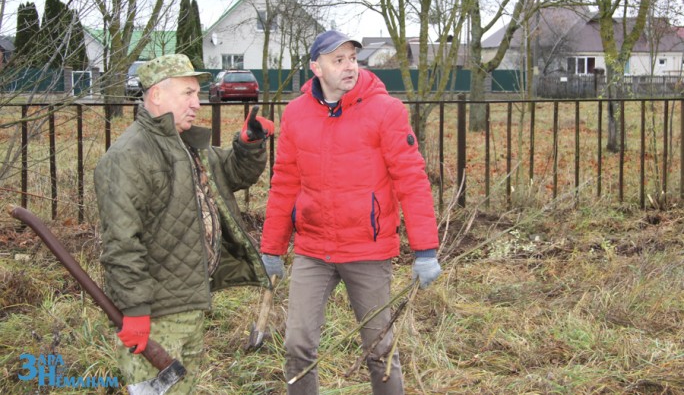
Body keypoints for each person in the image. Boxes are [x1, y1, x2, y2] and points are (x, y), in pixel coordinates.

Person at [260, 30, 442, 395]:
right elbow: (284, 184)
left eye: (352, 59)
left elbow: (412, 180)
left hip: (367, 250)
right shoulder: (296, 115)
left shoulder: (386, 111)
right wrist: (271, 248)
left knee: (380, 350)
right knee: (297, 345)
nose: (349, 67)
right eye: (337, 60)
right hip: (314, 249)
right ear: (316, 68)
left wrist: (425, 250)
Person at [94, 54, 274, 393]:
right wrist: (135, 312)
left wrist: (249, 144)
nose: (198, 103)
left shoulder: (187, 146)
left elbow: (234, 173)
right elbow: (121, 243)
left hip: (189, 304)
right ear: (157, 95)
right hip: (155, 317)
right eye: (188, 93)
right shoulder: (129, 156)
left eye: (197, 94)